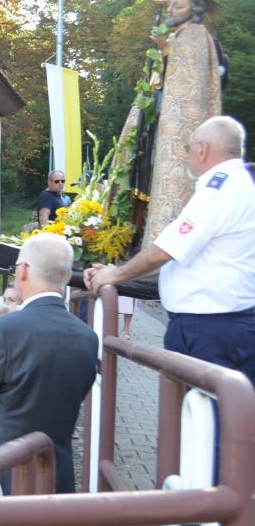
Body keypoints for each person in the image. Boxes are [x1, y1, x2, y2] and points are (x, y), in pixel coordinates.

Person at [86, 116, 255, 389]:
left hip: (210, 329)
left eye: (189, 148)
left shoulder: (219, 188)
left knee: (207, 422)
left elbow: (165, 250)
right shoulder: (237, 183)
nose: (188, 155)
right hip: (220, 325)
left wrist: (115, 275)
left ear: (203, 149)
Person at [0, 234, 98, 496]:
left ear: (23, 270)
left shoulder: (4, 329)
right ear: (65, 276)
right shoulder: (87, 337)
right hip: (52, 471)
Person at [140, 0, 225, 245]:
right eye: (170, 5)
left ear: (194, 8)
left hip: (183, 127)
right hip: (164, 119)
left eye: (179, 5)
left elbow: (192, 80)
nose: (172, 10)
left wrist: (166, 49)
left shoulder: (197, 35)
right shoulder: (179, 36)